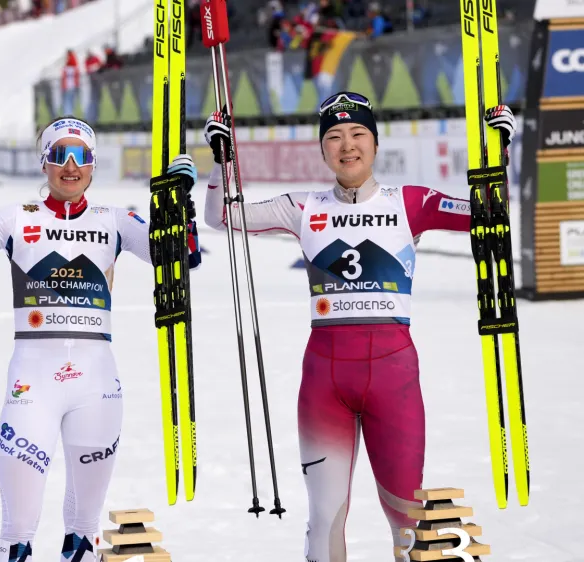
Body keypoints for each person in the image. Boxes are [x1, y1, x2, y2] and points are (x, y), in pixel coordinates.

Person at [201, 93, 516, 562]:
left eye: (357, 134)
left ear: (374, 141)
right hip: (325, 384)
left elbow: (488, 212)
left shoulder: (411, 202)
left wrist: (499, 151)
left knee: (410, 520)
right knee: (325, 520)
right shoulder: (302, 206)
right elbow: (221, 215)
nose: (346, 146)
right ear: (323, 149)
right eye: (333, 137)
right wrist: (221, 162)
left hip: (395, 383)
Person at [0, 116, 201, 562]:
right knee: (16, 537)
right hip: (33, 386)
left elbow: (182, 259)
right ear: (44, 163)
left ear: (92, 164)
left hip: (97, 386)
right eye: (59, 155)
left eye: (81, 156)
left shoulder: (116, 220)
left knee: (84, 534)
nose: (70, 167)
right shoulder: (16, 218)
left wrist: (179, 207)